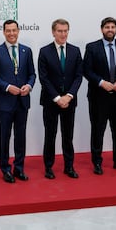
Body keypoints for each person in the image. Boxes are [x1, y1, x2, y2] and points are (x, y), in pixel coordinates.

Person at [83, 17, 116, 175]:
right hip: (99, 97)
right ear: (101, 29)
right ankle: (97, 162)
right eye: (107, 27)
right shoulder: (92, 47)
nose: (110, 29)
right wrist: (101, 82)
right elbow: (86, 70)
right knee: (98, 130)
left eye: (113, 27)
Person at [0, 19, 36, 183]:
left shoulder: (26, 51)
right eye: (8, 31)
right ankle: (5, 169)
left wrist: (29, 86)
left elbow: (32, 74)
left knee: (20, 137)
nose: (11, 33)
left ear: (18, 31)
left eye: (14, 30)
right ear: (4, 32)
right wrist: (7, 87)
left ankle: (19, 168)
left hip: (23, 101)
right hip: (5, 102)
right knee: (5, 137)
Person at [38, 18, 83, 179]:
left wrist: (69, 96)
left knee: (68, 136)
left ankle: (69, 167)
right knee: (50, 135)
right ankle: (48, 167)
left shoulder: (76, 51)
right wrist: (58, 98)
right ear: (53, 32)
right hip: (51, 101)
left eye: (65, 31)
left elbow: (78, 76)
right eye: (59, 31)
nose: (63, 34)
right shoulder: (44, 51)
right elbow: (43, 78)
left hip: (70, 101)